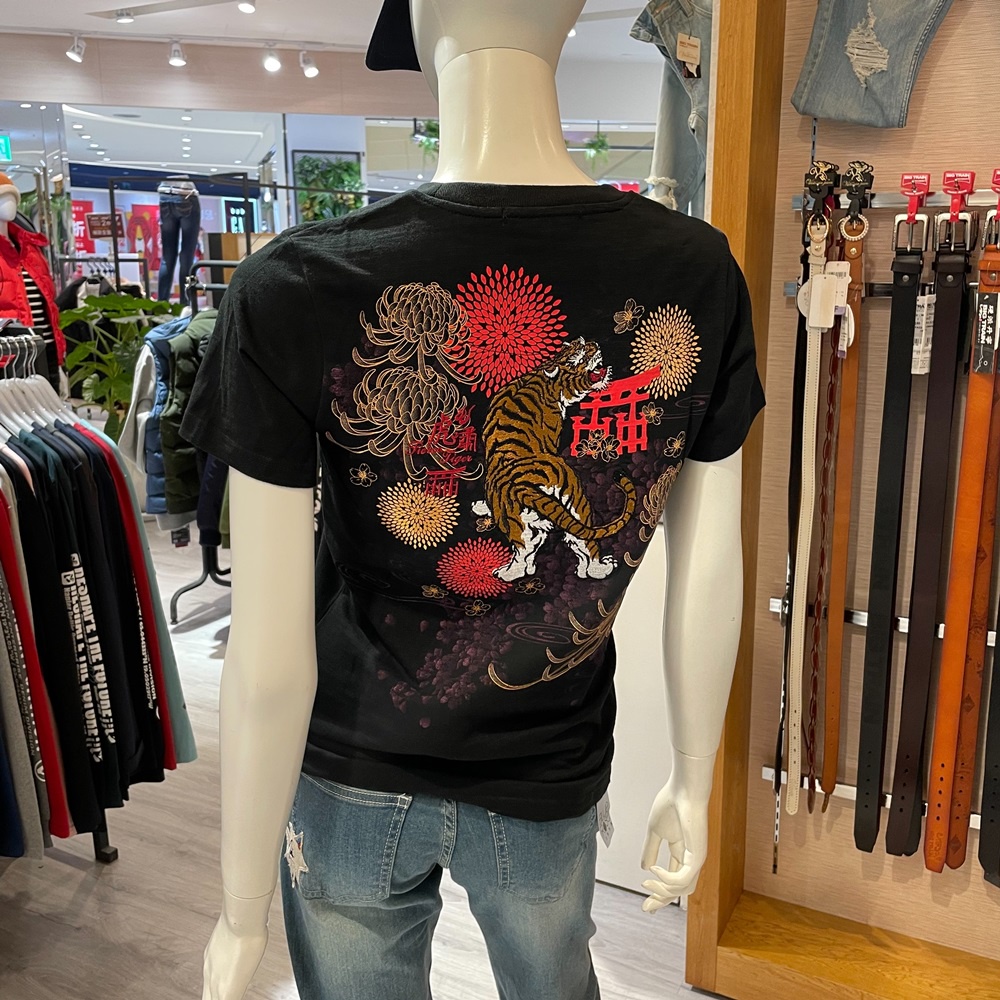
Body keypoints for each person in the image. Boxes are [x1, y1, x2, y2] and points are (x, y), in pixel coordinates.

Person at [182, 1, 764, 997]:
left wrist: (241, 912)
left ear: (417, 16)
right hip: (547, 766)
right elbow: (716, 566)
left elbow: (266, 655)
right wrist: (692, 774)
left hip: (356, 771)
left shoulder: (296, 283)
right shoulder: (696, 270)